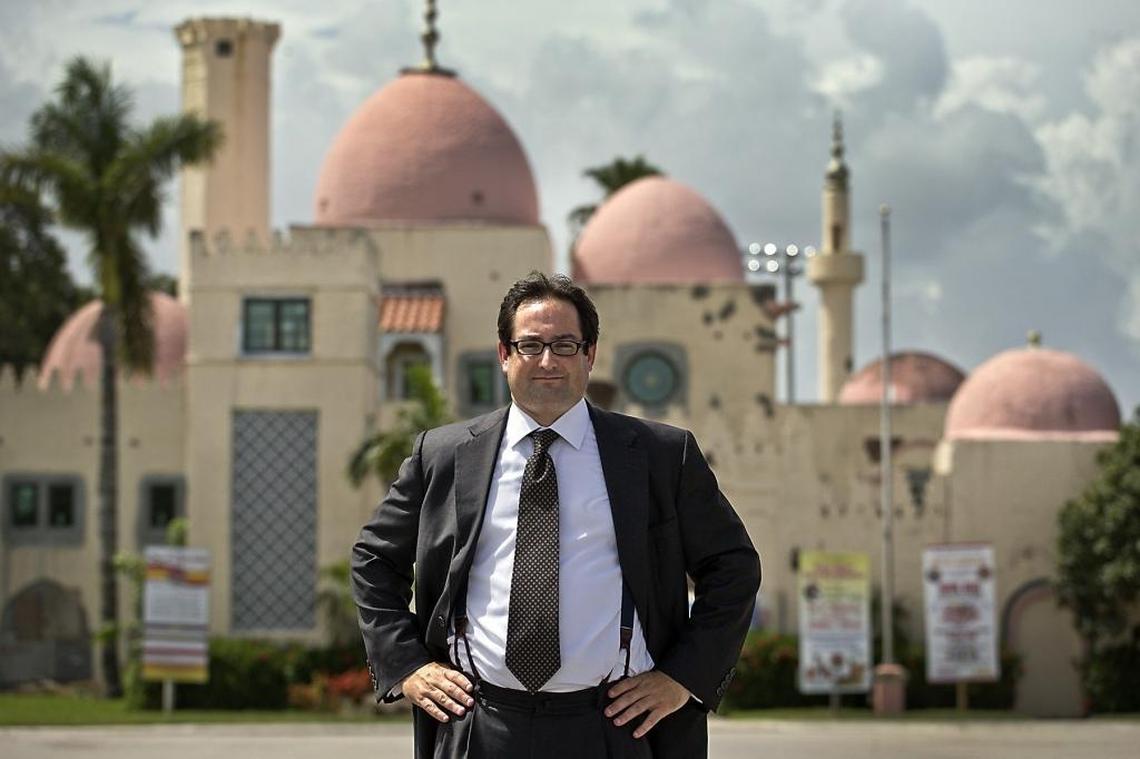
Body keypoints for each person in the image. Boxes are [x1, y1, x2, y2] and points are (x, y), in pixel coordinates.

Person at [352, 272, 760, 758]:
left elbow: (733, 568)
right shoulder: (443, 456)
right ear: (504, 354)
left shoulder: (660, 456)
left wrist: (683, 677)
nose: (548, 361)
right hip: (478, 725)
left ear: (590, 355)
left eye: (565, 345)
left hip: (614, 728)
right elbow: (374, 561)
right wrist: (407, 664)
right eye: (530, 345)